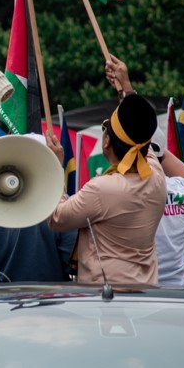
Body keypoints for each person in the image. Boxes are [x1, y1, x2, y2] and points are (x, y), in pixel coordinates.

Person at [46, 91, 167, 285]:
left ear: (107, 141)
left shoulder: (102, 189)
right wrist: (125, 91)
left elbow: (56, 218)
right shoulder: (156, 176)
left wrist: (55, 166)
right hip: (146, 292)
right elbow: (142, 133)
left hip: (107, 300)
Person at [157, 167, 184, 288]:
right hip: (176, 292)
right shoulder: (180, 188)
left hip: (128, 293)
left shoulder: (110, 189)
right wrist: (160, 152)